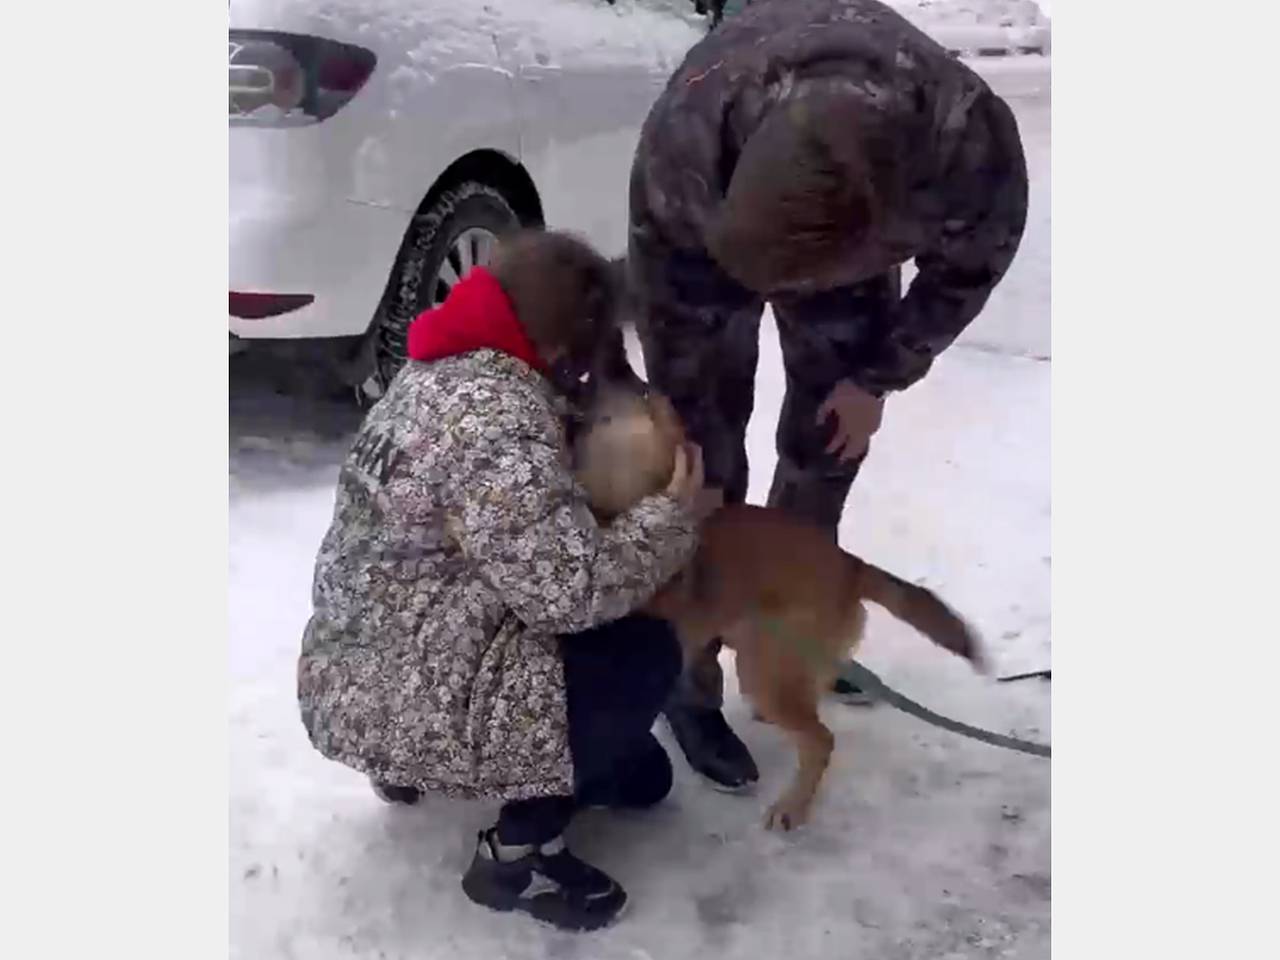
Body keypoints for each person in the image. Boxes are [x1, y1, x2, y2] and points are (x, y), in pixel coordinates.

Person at [610, 0, 1029, 791]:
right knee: (698, 469)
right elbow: (662, 292)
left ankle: (794, 628)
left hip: (855, 218)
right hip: (698, 245)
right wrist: (669, 408)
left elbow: (968, 271)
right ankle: (686, 678)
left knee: (825, 443)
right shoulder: (689, 144)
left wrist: (878, 375)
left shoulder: (967, 148)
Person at [297, 230, 705, 932]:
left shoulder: (432, 375)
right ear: (558, 346)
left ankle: (423, 765)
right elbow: (568, 592)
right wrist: (670, 519)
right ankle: (520, 852)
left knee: (644, 779)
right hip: (405, 704)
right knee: (643, 649)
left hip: (343, 677)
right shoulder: (499, 420)